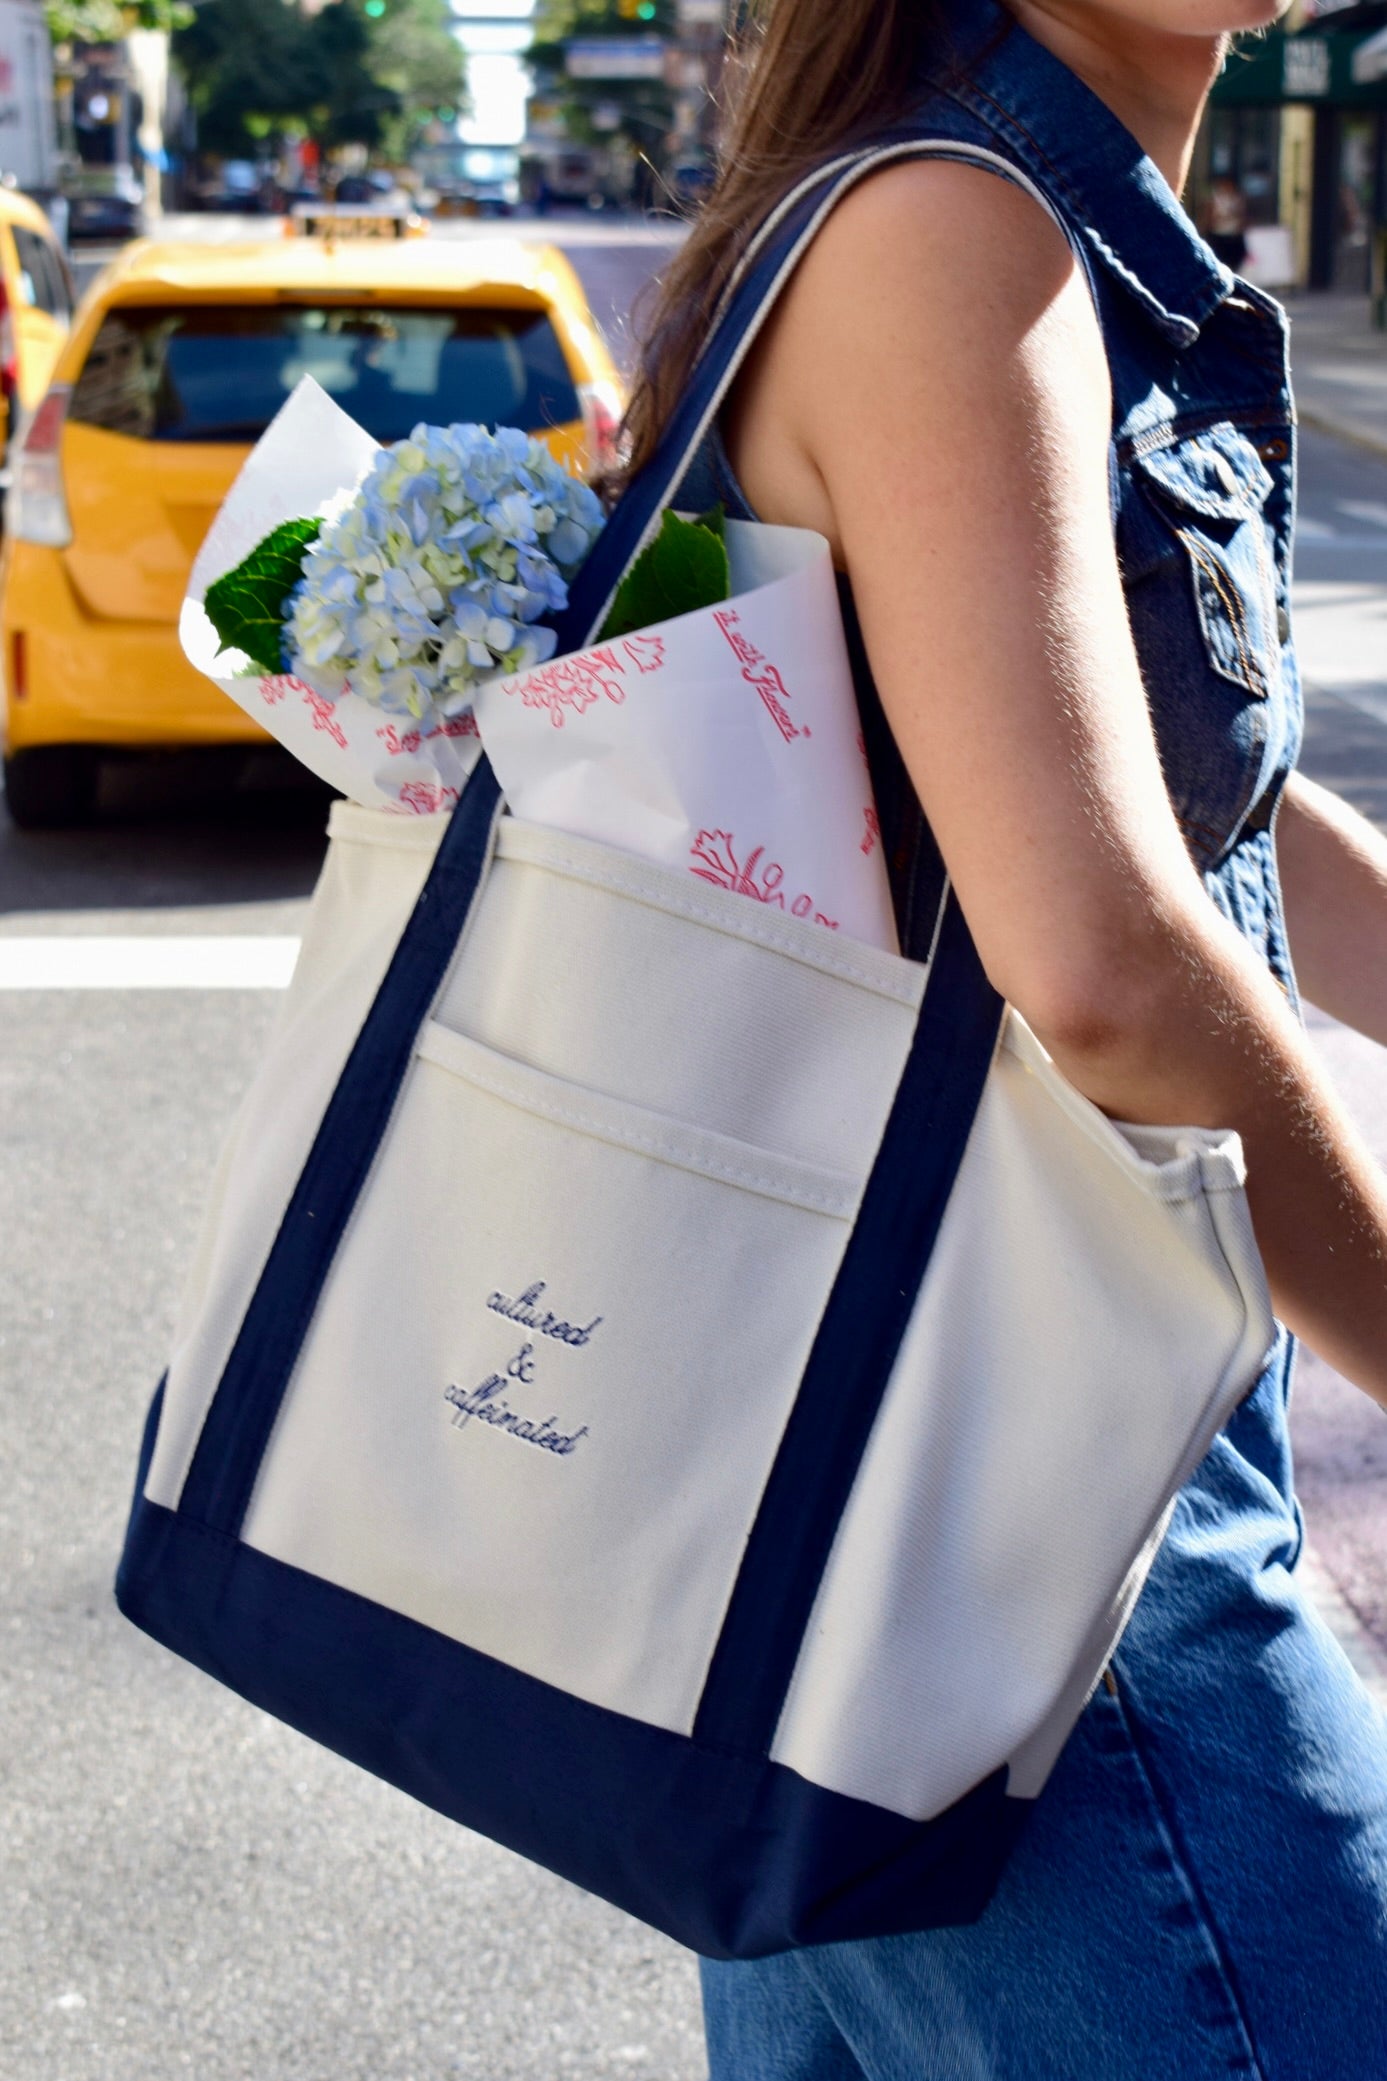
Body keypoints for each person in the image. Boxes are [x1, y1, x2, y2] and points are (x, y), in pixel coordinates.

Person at [620, 0, 1387, 2074]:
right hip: (1051, 1582)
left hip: (872, 1552)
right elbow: (1103, 964)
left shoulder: (999, 216)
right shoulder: (958, 236)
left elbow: (1148, 783)